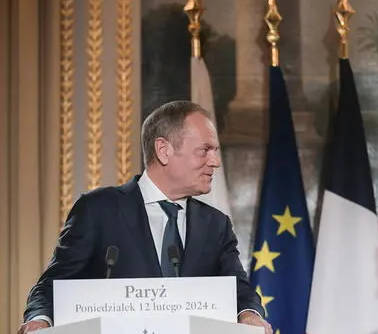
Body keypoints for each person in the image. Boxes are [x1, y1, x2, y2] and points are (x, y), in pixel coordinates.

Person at [18, 101, 272, 334]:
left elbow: (238, 289)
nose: (215, 161)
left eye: (215, 151)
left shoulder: (216, 224)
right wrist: (40, 320)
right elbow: (54, 284)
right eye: (204, 150)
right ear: (163, 150)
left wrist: (249, 314)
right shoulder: (98, 210)